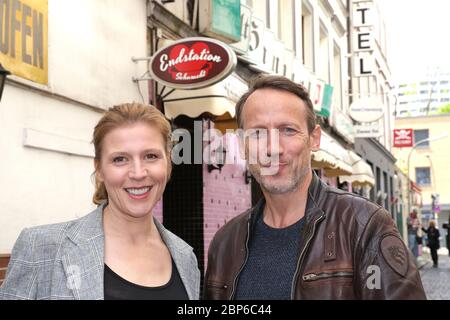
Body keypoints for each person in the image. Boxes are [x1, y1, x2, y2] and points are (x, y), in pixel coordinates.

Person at [203, 75, 426, 300]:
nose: (273, 148)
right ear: (242, 144)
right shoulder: (225, 243)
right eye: (258, 133)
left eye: (288, 130)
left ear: (314, 139)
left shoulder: (364, 226)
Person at [0, 103, 200, 300]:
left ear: (168, 164)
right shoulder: (41, 248)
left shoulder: (185, 257)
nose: (138, 173)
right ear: (100, 169)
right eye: (120, 159)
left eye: (151, 156)